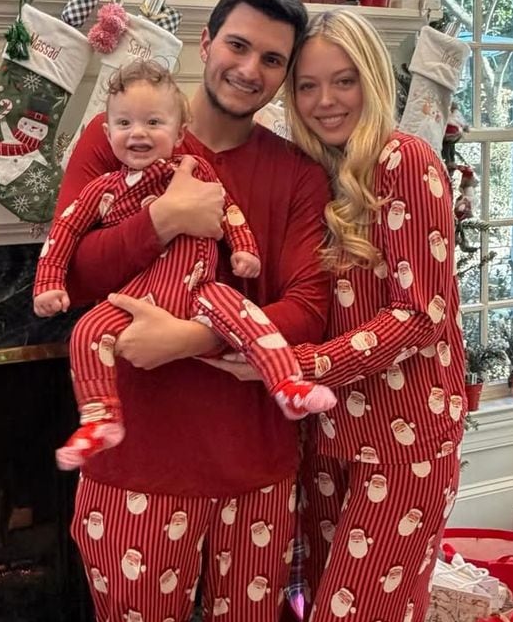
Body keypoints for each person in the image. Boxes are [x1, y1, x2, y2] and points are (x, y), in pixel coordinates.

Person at [52, 0, 333, 622]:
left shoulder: (296, 174)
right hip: (136, 471)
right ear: (205, 43)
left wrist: (191, 338)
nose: (249, 68)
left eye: (272, 60)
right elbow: (74, 276)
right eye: (237, 45)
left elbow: (309, 308)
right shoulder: (121, 134)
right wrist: (163, 220)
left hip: (256, 475)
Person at [283, 8, 466, 622]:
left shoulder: (405, 160)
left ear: (373, 79)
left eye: (343, 80)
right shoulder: (312, 173)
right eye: (308, 85)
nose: (326, 100)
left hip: (406, 447)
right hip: (331, 445)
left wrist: (306, 367)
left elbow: (420, 315)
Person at [33, 59, 336, 467]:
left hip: (200, 289)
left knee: (247, 316)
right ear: (108, 133)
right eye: (124, 124)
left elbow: (228, 209)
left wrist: (244, 248)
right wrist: (49, 282)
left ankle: (287, 384)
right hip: (137, 298)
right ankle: (99, 418)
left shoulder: (195, 171)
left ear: (179, 133)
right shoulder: (103, 190)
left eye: (153, 122)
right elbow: (65, 232)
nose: (138, 133)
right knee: (85, 331)